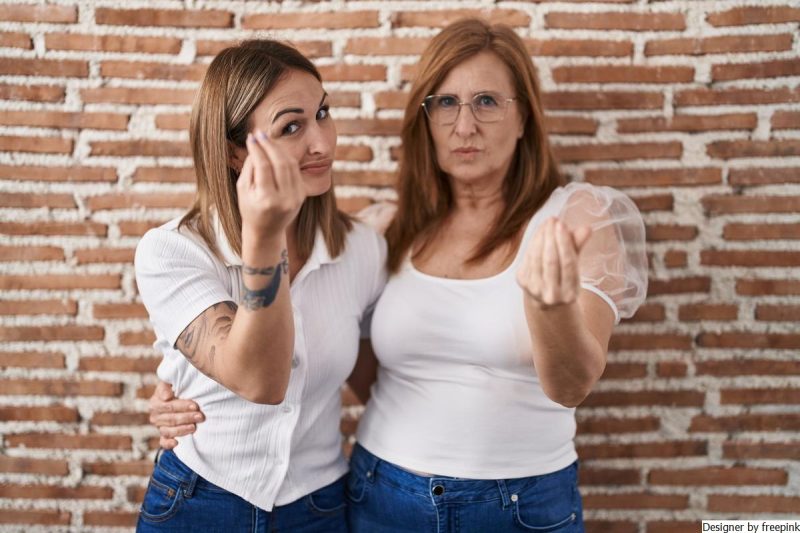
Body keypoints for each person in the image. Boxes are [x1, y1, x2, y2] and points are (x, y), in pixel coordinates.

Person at [150, 18, 648, 532]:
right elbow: (348, 364)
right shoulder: (387, 231)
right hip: (380, 493)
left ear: (525, 119)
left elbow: (572, 385)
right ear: (424, 119)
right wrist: (186, 381)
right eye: (446, 103)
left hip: (518, 503)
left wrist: (550, 307)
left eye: (488, 102)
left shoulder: (572, 219)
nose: (465, 126)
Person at [133, 39, 386, 532]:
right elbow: (260, 382)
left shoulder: (363, 250)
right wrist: (265, 238)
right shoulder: (173, 252)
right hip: (202, 500)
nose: (322, 143)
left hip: (320, 507)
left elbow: (384, 383)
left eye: (323, 113)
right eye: (291, 126)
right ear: (234, 152)